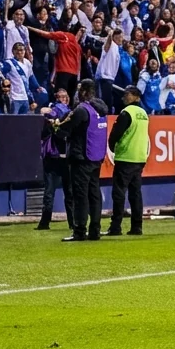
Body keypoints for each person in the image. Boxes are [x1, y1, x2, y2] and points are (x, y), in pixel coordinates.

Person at [54, 79, 108, 241]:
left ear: (83, 92)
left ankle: (79, 231)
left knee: (80, 195)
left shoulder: (81, 110)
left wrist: (56, 125)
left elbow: (63, 130)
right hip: (96, 157)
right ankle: (95, 230)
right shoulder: (101, 109)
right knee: (94, 194)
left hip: (81, 157)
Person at [107, 86, 150, 236]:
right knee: (135, 194)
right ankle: (137, 226)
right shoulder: (144, 114)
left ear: (136, 96)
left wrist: (112, 147)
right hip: (139, 157)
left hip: (125, 157)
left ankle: (115, 226)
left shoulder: (126, 113)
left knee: (119, 193)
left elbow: (115, 134)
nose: (124, 97)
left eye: (127, 94)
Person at [37, 89, 72, 231]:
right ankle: (71, 222)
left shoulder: (68, 112)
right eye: (61, 97)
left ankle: (46, 223)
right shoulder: (59, 110)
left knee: (57, 191)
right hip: (56, 156)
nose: (63, 99)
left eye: (65, 96)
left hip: (58, 157)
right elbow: (44, 112)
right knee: (57, 192)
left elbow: (45, 112)